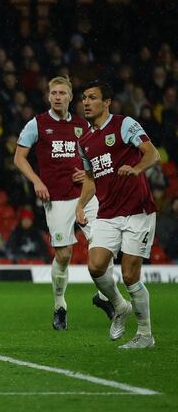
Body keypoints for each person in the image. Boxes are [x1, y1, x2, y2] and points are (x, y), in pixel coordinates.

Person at [14, 76, 114, 330]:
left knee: (105, 241)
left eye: (62, 93)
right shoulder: (37, 124)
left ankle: (104, 297)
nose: (58, 97)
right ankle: (59, 305)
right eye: (54, 93)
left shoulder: (83, 125)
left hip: (84, 195)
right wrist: (37, 181)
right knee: (64, 253)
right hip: (56, 197)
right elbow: (19, 158)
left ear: (71, 97)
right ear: (49, 96)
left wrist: (87, 172)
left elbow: (96, 155)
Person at [76, 80, 160, 349]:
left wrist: (136, 169)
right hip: (108, 212)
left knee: (130, 275)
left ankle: (145, 335)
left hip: (137, 210)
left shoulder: (124, 124)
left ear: (107, 102)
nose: (86, 102)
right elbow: (90, 178)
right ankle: (119, 306)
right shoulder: (84, 141)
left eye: (92, 97)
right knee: (95, 266)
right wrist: (80, 204)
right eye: (84, 98)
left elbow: (152, 154)